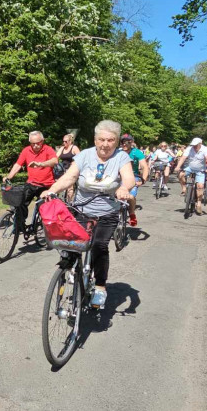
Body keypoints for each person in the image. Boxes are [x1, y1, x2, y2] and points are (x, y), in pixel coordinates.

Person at [41, 120, 136, 307]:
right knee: (72, 243)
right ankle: (72, 270)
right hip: (81, 209)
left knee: (99, 246)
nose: (105, 144)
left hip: (107, 211)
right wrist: (52, 190)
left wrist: (124, 188)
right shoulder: (85, 155)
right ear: (95, 139)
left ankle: (100, 286)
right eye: (101, 139)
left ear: (116, 141)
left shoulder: (121, 158)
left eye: (110, 140)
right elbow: (70, 177)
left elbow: (129, 178)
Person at [3, 131, 58, 232]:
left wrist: (40, 164)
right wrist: (9, 177)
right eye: (33, 143)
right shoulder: (26, 151)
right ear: (30, 142)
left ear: (42, 141)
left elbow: (55, 161)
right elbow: (18, 164)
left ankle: (47, 229)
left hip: (46, 185)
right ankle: (20, 224)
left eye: (38, 143)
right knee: (20, 203)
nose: (36, 146)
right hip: (32, 183)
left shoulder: (48, 149)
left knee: (45, 209)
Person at [174, 137, 207, 215]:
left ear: (200, 144)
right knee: (181, 175)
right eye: (193, 145)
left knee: (200, 186)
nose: (194, 146)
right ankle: (184, 189)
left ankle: (198, 204)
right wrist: (178, 166)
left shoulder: (205, 149)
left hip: (200, 170)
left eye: (196, 145)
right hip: (190, 168)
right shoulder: (189, 148)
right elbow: (183, 158)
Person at [120, 134, 148, 227]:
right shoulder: (117, 152)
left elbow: (144, 167)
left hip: (133, 176)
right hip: (119, 176)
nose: (124, 144)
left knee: (131, 196)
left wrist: (143, 180)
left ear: (131, 143)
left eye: (127, 142)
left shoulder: (137, 152)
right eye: (122, 142)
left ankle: (132, 213)